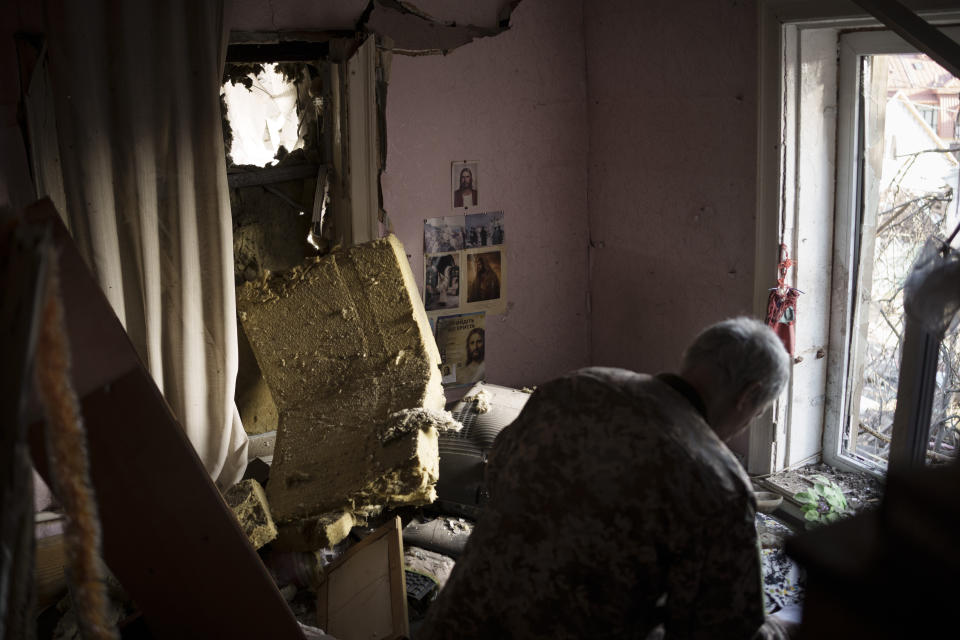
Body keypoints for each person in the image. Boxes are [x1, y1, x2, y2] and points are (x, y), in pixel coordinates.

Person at [421, 317, 797, 640]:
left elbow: (499, 470)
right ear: (750, 397)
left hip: (461, 619)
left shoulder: (578, 386)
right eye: (758, 411)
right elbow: (726, 633)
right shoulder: (718, 485)